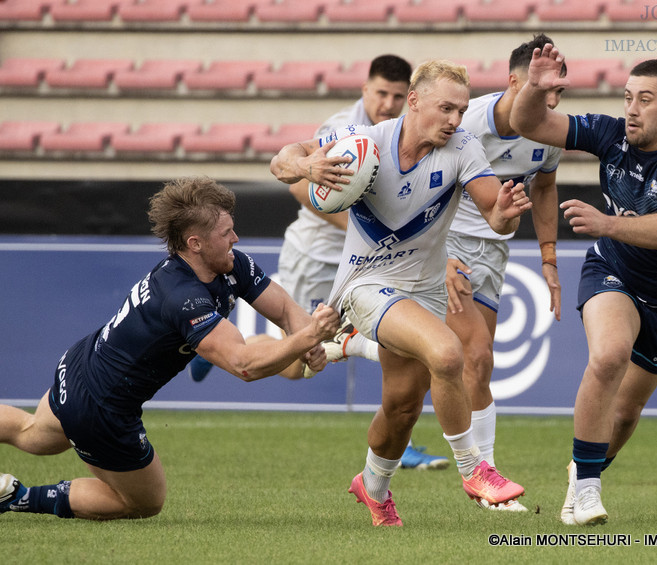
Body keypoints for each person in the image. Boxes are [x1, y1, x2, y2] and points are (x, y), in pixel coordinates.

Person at [270, 60, 532, 526]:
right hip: (365, 286)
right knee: (448, 355)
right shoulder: (366, 144)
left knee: (403, 406)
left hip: (424, 290)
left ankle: (372, 487)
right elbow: (282, 159)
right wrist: (307, 163)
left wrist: (508, 212)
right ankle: (475, 471)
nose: (455, 119)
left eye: (461, 109)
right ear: (414, 101)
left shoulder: (463, 149)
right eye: (445, 108)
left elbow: (495, 213)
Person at [0, 177, 339, 520]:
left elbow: (282, 309)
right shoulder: (182, 298)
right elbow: (243, 365)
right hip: (103, 407)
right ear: (195, 243)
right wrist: (309, 338)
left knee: (35, 436)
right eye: (226, 233)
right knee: (143, 503)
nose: (235, 239)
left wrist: (305, 334)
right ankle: (18, 497)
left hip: (79, 365)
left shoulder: (229, 263)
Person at [188, 54, 449, 470]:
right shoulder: (343, 130)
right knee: (295, 365)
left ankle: (401, 440)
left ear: (410, 99)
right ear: (366, 89)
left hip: (368, 264)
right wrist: (368, 230)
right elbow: (298, 189)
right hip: (317, 256)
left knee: (400, 343)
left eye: (397, 96)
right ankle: (220, 349)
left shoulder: (405, 135)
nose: (388, 103)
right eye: (381, 93)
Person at [510, 45, 657, 525]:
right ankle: (586, 492)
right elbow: (529, 125)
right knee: (608, 356)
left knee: (625, 415)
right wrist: (536, 90)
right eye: (627, 97)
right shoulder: (612, 133)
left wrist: (608, 224)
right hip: (613, 270)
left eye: (645, 99)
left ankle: (581, 470)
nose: (631, 109)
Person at [444, 33, 565, 512]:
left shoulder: (549, 131)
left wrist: (549, 258)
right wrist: (434, 252)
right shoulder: (466, 121)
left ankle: (354, 343)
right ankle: (485, 483)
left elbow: (546, 187)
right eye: (542, 89)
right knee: (476, 354)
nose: (551, 101)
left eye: (559, 92)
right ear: (515, 81)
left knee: (473, 365)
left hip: (495, 252)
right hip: (446, 243)